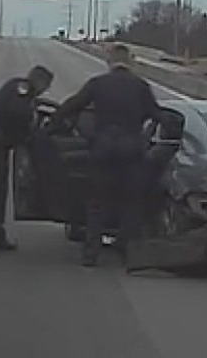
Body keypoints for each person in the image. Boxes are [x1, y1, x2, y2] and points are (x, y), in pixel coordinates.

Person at [50, 43, 164, 267]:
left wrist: (53, 122)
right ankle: (132, 255)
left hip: (103, 150)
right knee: (131, 202)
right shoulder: (140, 86)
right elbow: (157, 114)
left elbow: (73, 105)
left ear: (109, 62)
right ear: (130, 62)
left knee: (96, 202)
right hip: (132, 152)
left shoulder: (98, 84)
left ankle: (90, 253)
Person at [0, 65, 55, 256]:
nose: (45, 89)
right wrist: (29, 131)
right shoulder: (22, 89)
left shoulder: (25, 92)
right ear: (39, 81)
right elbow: (17, 113)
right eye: (46, 85)